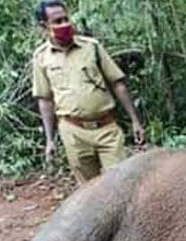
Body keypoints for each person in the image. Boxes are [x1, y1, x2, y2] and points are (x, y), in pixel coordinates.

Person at [31, 0, 145, 183]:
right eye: (57, 21)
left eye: (66, 19)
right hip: (73, 132)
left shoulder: (91, 47)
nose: (64, 25)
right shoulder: (41, 58)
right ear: (44, 26)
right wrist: (49, 140)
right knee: (87, 191)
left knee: (120, 184)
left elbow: (117, 83)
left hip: (107, 128)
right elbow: (45, 100)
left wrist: (135, 121)